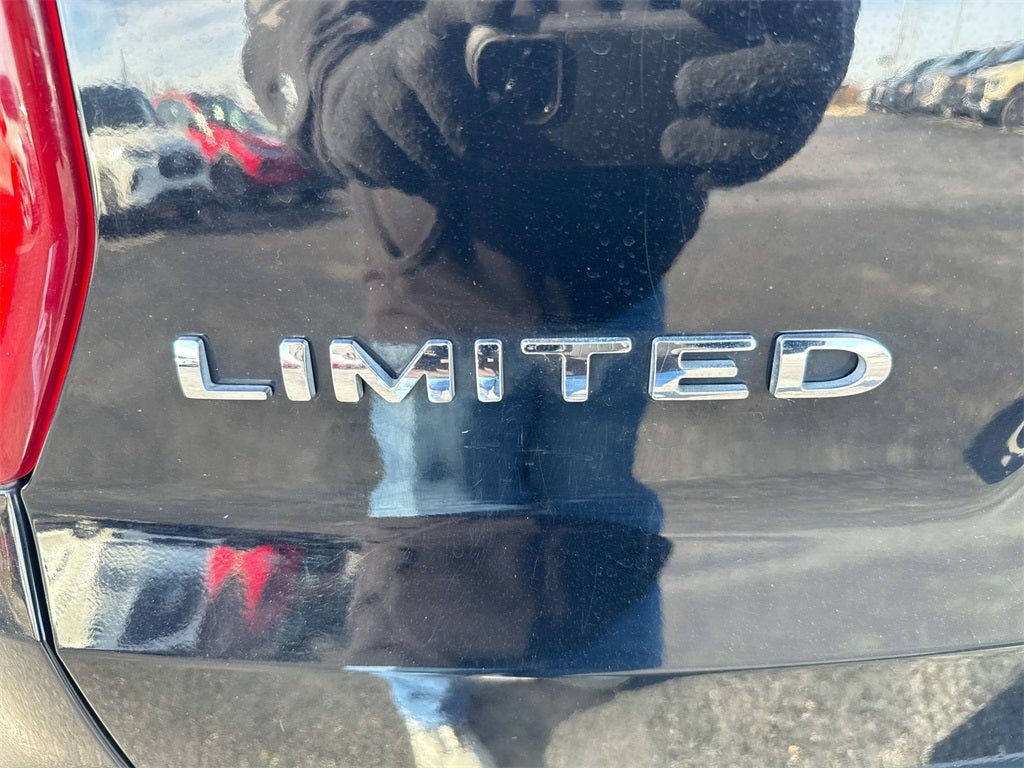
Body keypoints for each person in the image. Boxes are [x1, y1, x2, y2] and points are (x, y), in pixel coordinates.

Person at [243, 2, 858, 764]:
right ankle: (432, 706)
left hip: (617, 265)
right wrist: (324, 74)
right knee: (439, 504)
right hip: (435, 280)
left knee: (593, 491)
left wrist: (812, 22)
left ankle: (596, 675)